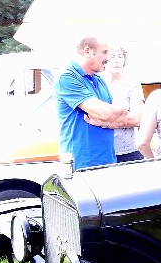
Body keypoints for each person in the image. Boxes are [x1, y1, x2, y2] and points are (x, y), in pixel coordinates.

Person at [54, 36, 127, 170]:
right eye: (104, 52)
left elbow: (118, 117)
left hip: (109, 161)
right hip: (82, 164)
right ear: (88, 51)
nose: (108, 58)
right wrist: (118, 112)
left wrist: (107, 119)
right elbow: (106, 113)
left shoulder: (99, 80)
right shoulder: (67, 77)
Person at [101, 45, 144, 162]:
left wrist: (103, 121)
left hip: (129, 151)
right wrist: (123, 116)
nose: (116, 60)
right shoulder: (96, 83)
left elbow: (137, 119)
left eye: (120, 57)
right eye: (112, 56)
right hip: (101, 150)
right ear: (104, 59)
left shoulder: (133, 85)